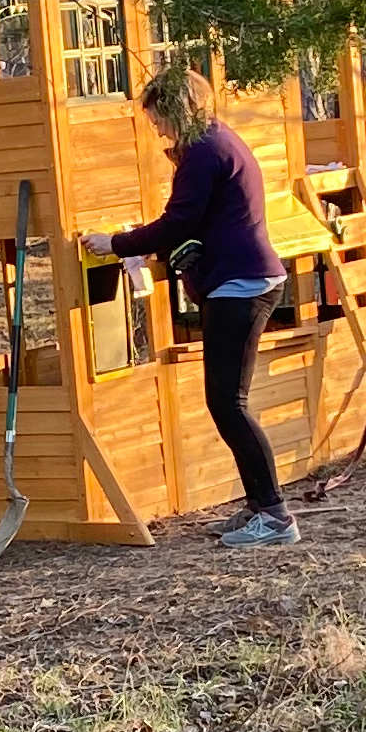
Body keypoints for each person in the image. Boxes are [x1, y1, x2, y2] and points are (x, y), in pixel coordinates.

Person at [87, 62, 299, 548]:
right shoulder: (215, 142)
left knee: (229, 403)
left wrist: (115, 242)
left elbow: (177, 222)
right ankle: (258, 509)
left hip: (241, 286)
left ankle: (275, 515)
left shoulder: (204, 153)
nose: (157, 127)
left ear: (178, 110)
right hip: (243, 279)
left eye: (159, 118)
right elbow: (192, 219)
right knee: (227, 402)